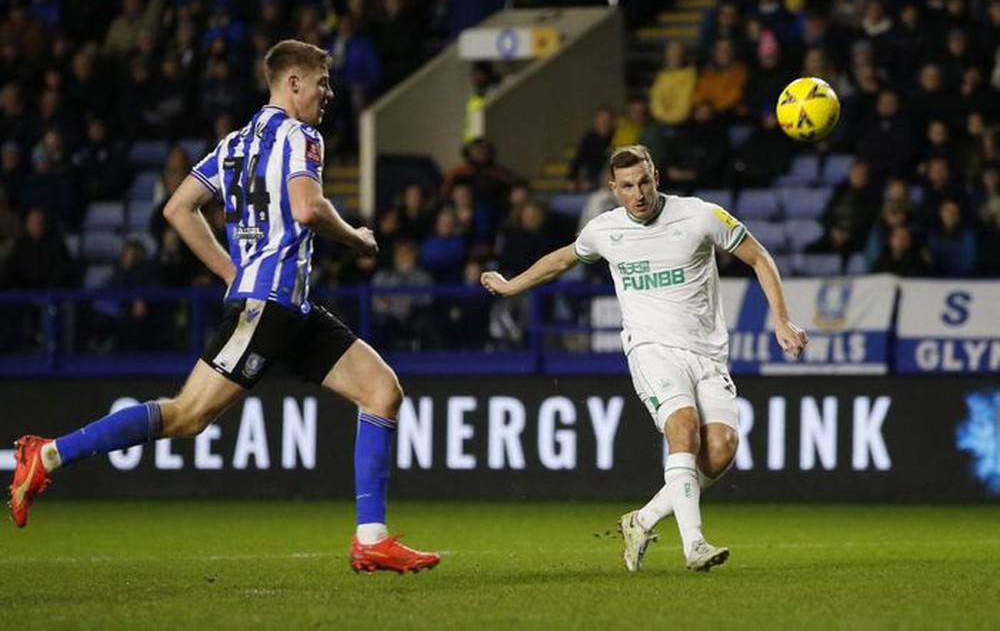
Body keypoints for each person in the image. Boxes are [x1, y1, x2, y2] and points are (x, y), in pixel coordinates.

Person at [7, 39, 439, 574]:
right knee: (188, 415)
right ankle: (47, 453)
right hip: (270, 304)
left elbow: (179, 207)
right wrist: (357, 239)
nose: (329, 94)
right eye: (322, 83)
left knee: (381, 390)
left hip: (290, 306)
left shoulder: (235, 143)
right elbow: (306, 208)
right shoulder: (304, 136)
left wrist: (232, 273)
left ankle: (371, 539)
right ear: (294, 83)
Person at [480, 145, 808, 572]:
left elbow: (759, 257)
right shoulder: (605, 230)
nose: (639, 194)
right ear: (614, 188)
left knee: (722, 450)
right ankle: (695, 545)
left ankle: (642, 519)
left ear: (657, 177)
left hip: (707, 353)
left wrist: (781, 321)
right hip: (650, 349)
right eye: (629, 186)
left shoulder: (700, 216)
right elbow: (561, 260)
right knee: (683, 430)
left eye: (645, 182)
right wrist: (510, 285)